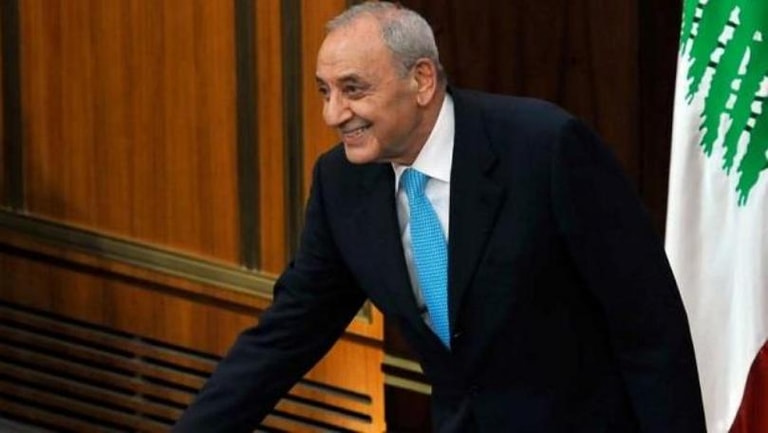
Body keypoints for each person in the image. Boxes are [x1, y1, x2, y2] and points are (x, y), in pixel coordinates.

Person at [174, 2, 706, 431]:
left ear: (422, 80)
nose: (333, 114)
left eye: (353, 89)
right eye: (324, 92)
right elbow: (285, 336)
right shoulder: (342, 183)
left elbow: (649, 327)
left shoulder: (544, 148)